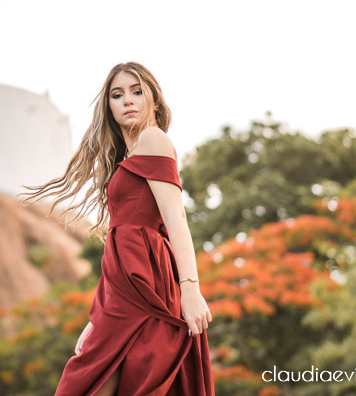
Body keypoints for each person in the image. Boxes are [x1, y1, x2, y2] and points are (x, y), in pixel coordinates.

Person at [22, 61, 215, 396]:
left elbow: (175, 221)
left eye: (137, 91)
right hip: (123, 291)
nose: (128, 100)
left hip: (148, 284)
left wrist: (190, 289)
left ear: (153, 100)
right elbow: (118, 250)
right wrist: (97, 318)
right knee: (92, 383)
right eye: (117, 94)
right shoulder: (129, 154)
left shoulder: (154, 139)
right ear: (108, 107)